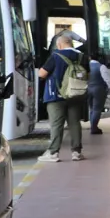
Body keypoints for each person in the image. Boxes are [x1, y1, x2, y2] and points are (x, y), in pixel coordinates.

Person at [37, 30, 90, 163]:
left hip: (56, 96)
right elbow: (87, 74)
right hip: (76, 95)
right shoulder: (82, 57)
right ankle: (76, 152)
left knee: (56, 124)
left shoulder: (55, 56)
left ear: (59, 45)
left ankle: (53, 153)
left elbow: (42, 74)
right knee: (74, 123)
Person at [86, 56, 109, 134]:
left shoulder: (86, 66)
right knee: (97, 109)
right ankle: (94, 128)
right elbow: (107, 79)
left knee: (91, 109)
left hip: (88, 88)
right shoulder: (101, 66)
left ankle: (92, 126)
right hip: (99, 89)